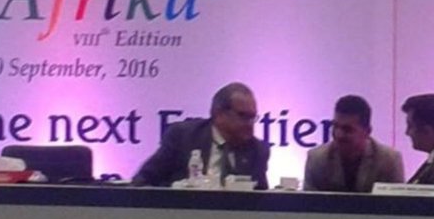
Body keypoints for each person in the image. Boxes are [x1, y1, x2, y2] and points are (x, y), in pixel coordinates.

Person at [132, 81, 269, 188]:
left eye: (253, 117)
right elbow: (142, 182)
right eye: (243, 116)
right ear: (219, 114)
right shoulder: (182, 137)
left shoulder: (257, 151)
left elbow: (261, 201)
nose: (249, 124)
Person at [303, 94, 405, 193]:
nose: (338, 134)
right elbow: (308, 203)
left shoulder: (389, 161)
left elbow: (397, 203)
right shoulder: (316, 159)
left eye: (347, 129)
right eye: (335, 126)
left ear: (367, 131)